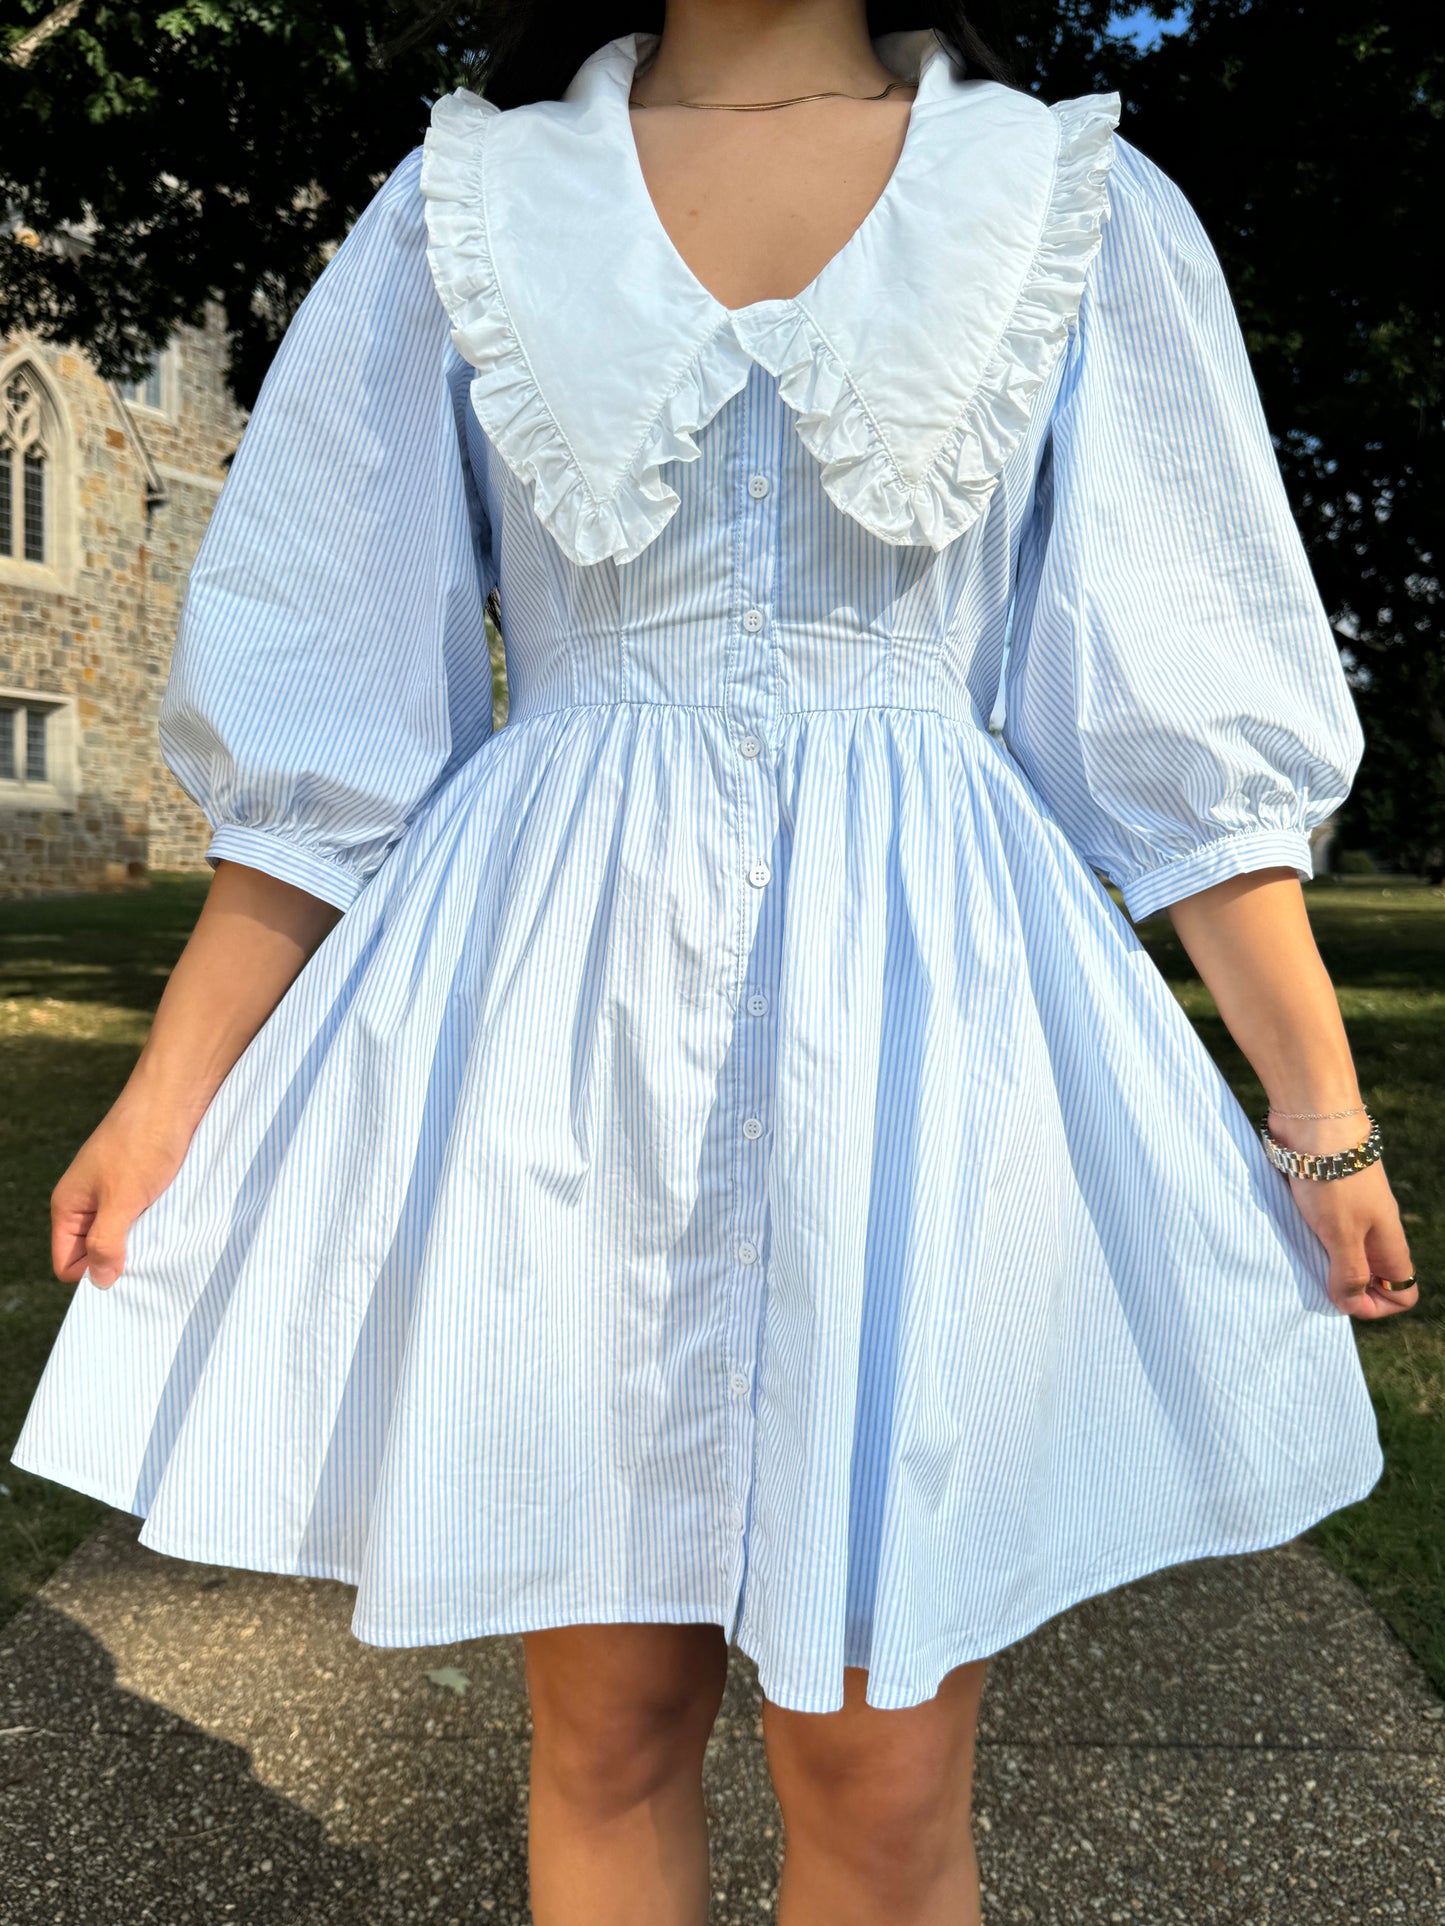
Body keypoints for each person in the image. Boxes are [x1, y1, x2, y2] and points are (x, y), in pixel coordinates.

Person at [14, 5, 1419, 1923]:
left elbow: (1183, 723)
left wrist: (1321, 1115)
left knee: (878, 1758)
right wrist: (167, 1093)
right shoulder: (470, 205)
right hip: (556, 1025)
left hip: (931, 1023)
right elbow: (325, 725)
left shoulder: (1066, 200)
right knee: (604, 1726)